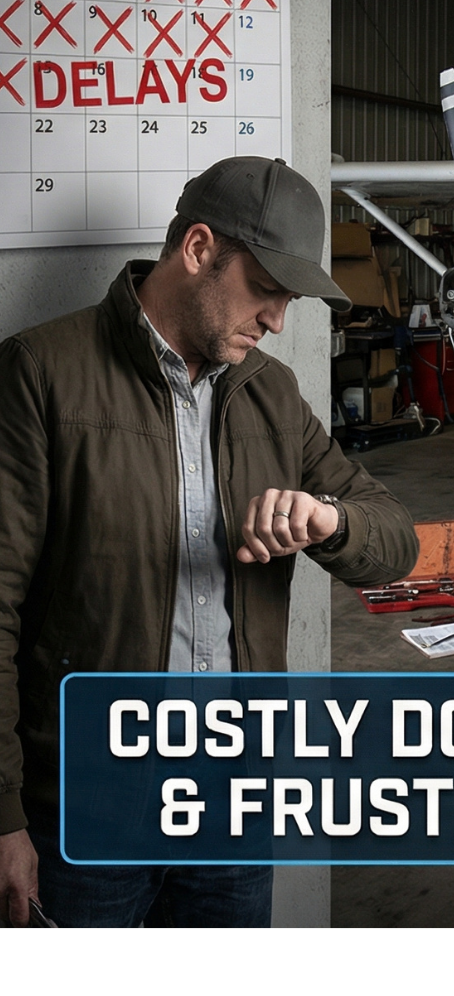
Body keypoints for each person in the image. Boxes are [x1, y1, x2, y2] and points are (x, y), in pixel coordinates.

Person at [0, 156, 421, 928]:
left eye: (288, 300)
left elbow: (397, 543)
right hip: (89, 803)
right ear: (198, 249)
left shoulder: (272, 394)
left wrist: (328, 518)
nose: (277, 322)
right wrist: (2, 817)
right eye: (266, 290)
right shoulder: (42, 372)